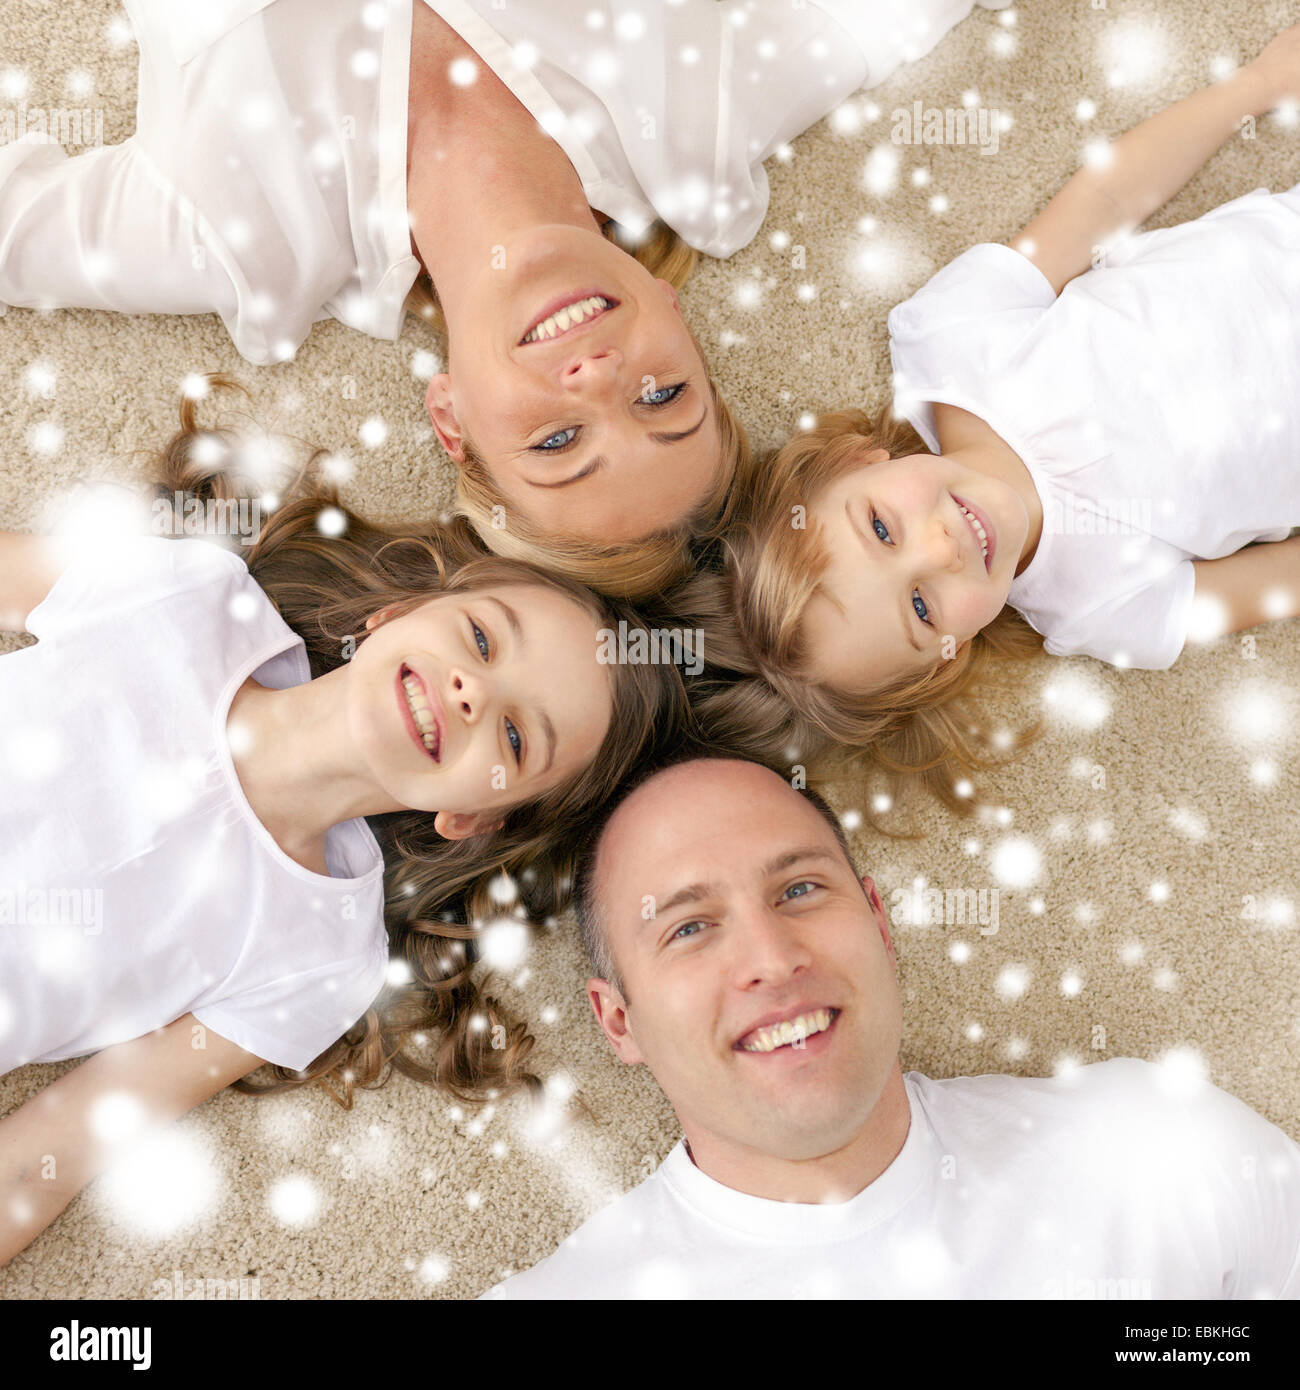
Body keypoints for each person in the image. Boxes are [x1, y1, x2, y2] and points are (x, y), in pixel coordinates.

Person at [0, 384, 685, 1265]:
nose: (475, 690)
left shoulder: (321, 961)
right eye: (481, 638)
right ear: (396, 615)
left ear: (473, 817)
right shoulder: (188, 595)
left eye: (516, 733)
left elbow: (57, 1150)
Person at [0, 0, 1005, 588]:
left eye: (557, 444)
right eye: (665, 400)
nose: (600, 383)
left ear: (452, 420)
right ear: (678, 323)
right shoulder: (705, 118)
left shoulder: (240, 245)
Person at [719, 22, 1300, 794]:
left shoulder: (952, 348)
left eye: (881, 527)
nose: (940, 547)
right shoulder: (1097, 607)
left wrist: (1254, 87)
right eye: (922, 607)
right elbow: (1275, 579)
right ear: (949, 652)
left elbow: (1109, 196)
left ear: (857, 461)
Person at [484, 757, 1300, 1299]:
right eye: (689, 928)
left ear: (879, 922)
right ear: (618, 1021)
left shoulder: (1151, 1154)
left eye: (800, 890)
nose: (771, 958)